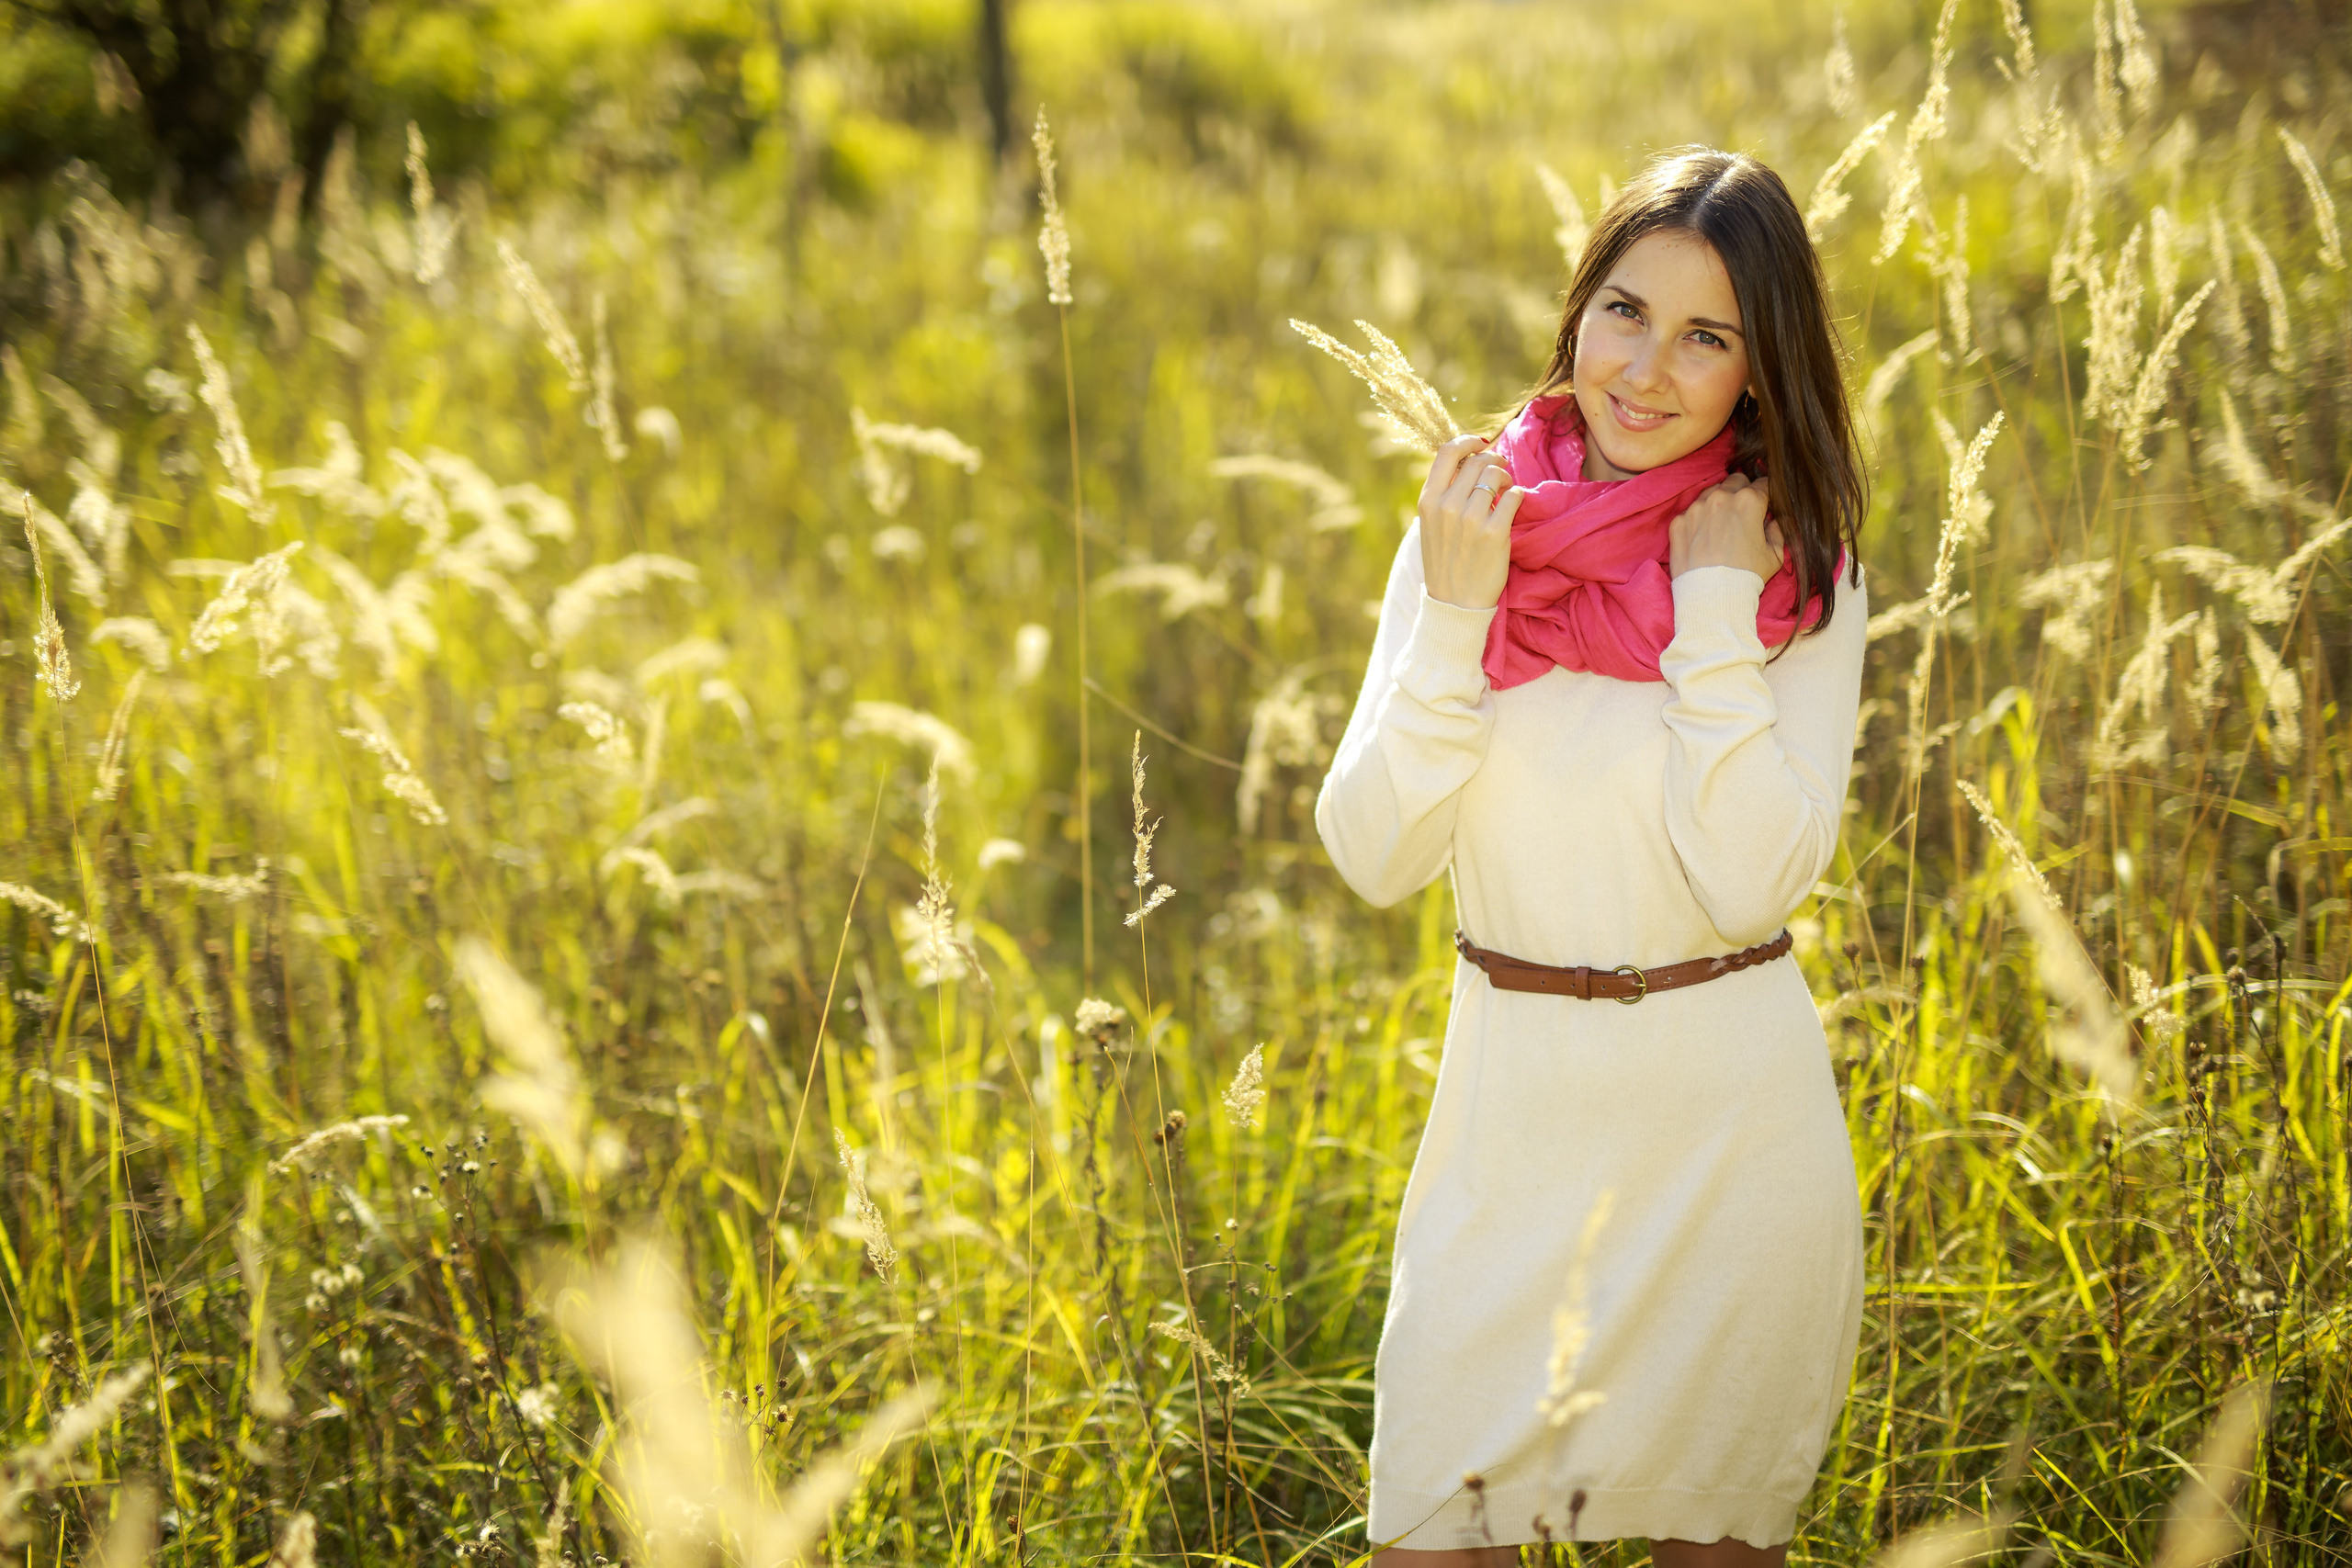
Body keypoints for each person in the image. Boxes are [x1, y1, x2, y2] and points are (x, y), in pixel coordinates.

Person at [1315, 146, 1871, 1567]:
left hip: (1730, 1152)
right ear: (1576, 312)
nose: (1646, 370)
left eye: (1706, 337)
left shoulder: (1795, 562)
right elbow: (1375, 852)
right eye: (1625, 311)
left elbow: (1750, 878)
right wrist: (1453, 621)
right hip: (1512, 1145)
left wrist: (1713, 608)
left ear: (1762, 368)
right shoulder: (1470, 526)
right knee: (1431, 1542)